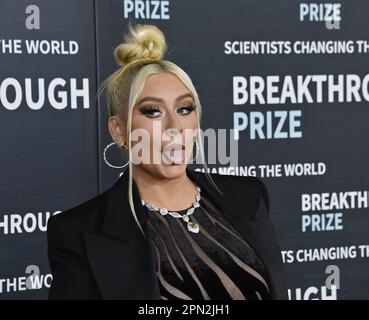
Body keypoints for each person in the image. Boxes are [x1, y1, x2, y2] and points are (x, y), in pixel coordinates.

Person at [47, 23, 287, 300]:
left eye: (185, 108)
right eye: (153, 111)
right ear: (119, 131)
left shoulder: (249, 196)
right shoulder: (79, 231)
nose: (175, 126)